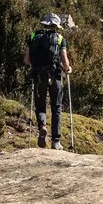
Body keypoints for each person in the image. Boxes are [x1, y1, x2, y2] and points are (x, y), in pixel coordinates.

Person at [26, 13, 71, 148]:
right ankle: (55, 141)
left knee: (40, 105)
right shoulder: (60, 39)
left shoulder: (33, 36)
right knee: (56, 107)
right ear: (55, 26)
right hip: (55, 76)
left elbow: (26, 60)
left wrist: (34, 67)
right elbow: (65, 62)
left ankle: (42, 127)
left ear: (43, 24)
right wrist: (68, 69)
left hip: (39, 76)